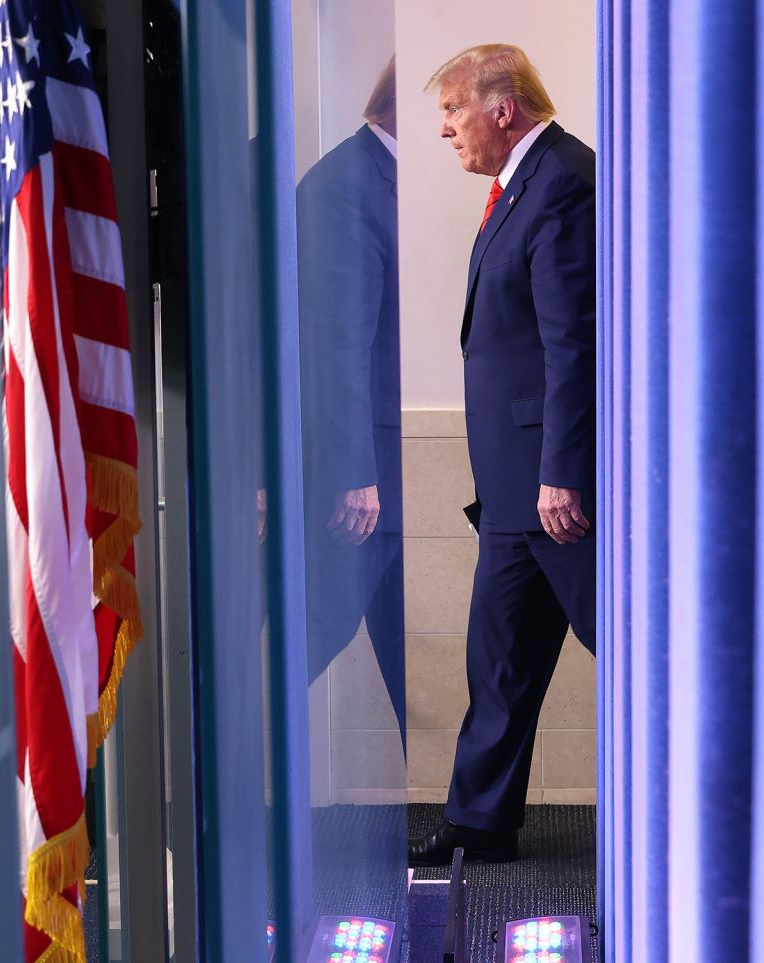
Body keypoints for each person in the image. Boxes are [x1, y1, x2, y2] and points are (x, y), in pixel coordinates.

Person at [408, 44, 596, 867]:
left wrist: (563, 470)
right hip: (520, 487)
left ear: (502, 107)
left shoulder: (560, 182)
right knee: (501, 653)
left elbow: (574, 343)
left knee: (627, 646)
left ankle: (715, 797)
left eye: (452, 110)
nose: (446, 129)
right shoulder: (524, 183)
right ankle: (481, 823)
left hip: (555, 487)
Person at [297, 58, 406, 738]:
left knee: (395, 639)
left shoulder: (378, 177)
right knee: (322, 625)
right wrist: (355, 475)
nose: (456, 124)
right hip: (360, 470)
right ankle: (206, 785)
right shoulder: (347, 185)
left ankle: (472, 818)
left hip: (382, 462)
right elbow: (339, 344)